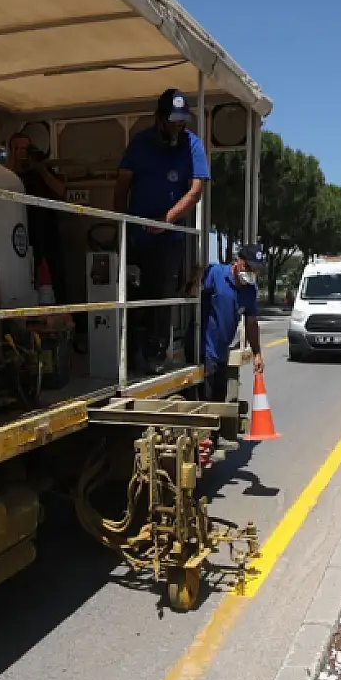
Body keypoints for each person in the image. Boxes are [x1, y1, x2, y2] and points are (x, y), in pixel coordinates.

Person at [114, 88, 210, 373]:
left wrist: (166, 219)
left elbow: (196, 191)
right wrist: (120, 226)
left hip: (169, 239)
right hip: (136, 237)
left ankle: (156, 355)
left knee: (162, 297)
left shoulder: (192, 145)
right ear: (158, 118)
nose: (178, 126)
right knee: (133, 296)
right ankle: (129, 354)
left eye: (182, 121)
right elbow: (121, 187)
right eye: (172, 120)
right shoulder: (140, 144)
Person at [196, 245, 265, 467]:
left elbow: (251, 323)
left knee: (219, 395)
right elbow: (194, 294)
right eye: (249, 267)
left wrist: (257, 353)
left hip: (222, 350)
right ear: (237, 262)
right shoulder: (216, 274)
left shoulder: (249, 290)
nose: (252, 273)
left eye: (256, 270)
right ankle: (203, 443)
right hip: (203, 348)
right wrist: (195, 279)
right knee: (206, 397)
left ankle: (210, 443)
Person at [8, 131, 66, 297]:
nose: (22, 153)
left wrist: (41, 169)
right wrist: (12, 165)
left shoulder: (42, 172)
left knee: (56, 280)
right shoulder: (8, 177)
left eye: (26, 148)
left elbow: (61, 191)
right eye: (17, 148)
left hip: (47, 234)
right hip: (21, 236)